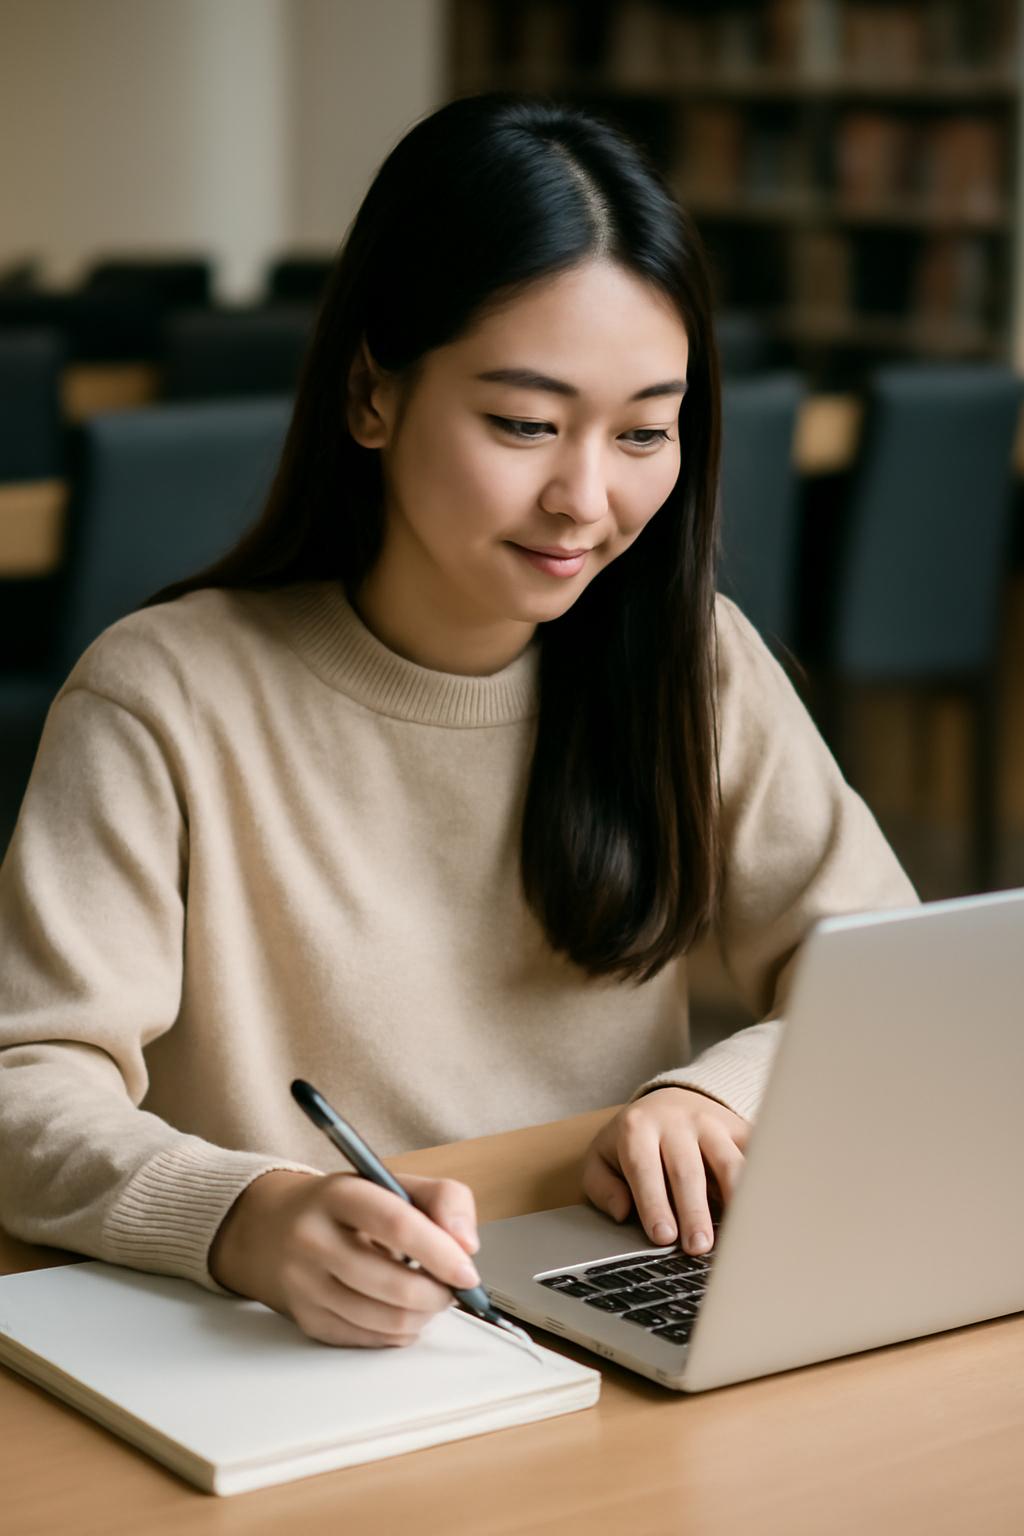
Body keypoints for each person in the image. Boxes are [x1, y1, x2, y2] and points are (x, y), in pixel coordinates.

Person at [0, 93, 916, 1351]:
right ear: (373, 396)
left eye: (645, 431)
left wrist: (720, 1095)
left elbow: (888, 974)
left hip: (616, 1288)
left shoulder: (687, 659)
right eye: (524, 424)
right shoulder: (165, 695)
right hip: (311, 1340)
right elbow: (24, 1079)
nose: (585, 499)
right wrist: (241, 1216)